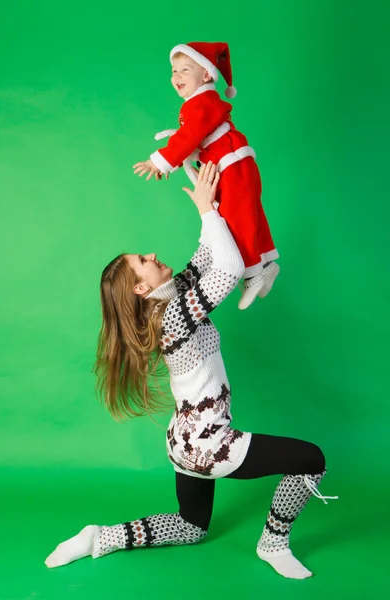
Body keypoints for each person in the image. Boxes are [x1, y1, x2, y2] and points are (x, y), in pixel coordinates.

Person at [45, 163, 337, 579]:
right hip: (209, 444)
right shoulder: (173, 319)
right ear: (141, 289)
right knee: (311, 460)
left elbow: (209, 253)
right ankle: (273, 541)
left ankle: (100, 537)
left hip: (183, 442)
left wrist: (205, 187)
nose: (151, 255)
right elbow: (230, 271)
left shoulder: (172, 298)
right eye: (142, 261)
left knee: (190, 527)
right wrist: (207, 212)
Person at [133, 41, 280, 310]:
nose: (176, 76)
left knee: (237, 218)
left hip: (233, 166)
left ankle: (252, 273)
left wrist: (160, 162)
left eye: (184, 69)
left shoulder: (202, 103)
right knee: (248, 213)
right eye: (174, 70)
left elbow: (191, 136)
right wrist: (174, 161)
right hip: (234, 166)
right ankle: (265, 265)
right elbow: (196, 140)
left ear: (206, 75)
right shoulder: (197, 104)